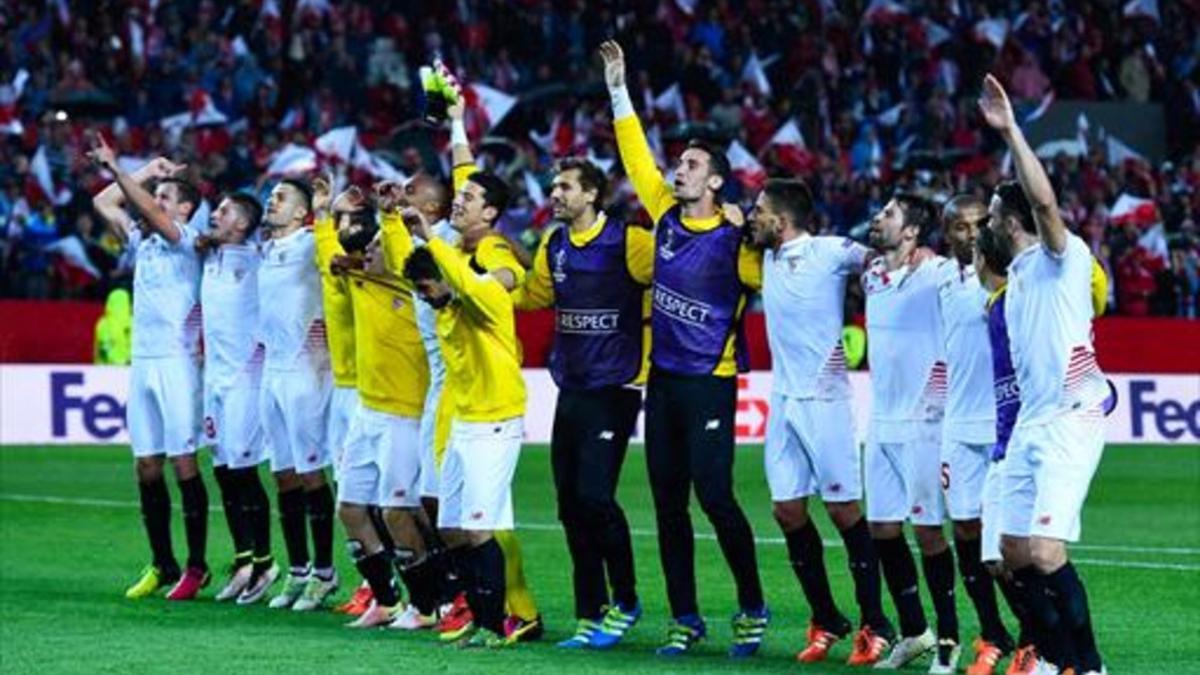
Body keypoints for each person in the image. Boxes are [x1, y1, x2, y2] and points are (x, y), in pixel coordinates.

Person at [600, 40, 768, 658]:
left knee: (716, 496)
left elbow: (774, 269)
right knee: (668, 505)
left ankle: (752, 605)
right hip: (664, 381)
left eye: (693, 163)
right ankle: (686, 618)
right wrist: (618, 88)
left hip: (711, 381)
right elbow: (633, 150)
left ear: (716, 179)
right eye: (680, 162)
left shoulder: (738, 236)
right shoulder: (665, 212)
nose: (679, 168)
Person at [979, 73, 1109, 675]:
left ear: (1010, 220)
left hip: (1069, 420)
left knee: (1047, 551)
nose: (983, 227)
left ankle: (1088, 666)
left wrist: (1012, 132)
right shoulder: (1016, 281)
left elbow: (1046, 204)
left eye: (990, 218)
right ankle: (1055, 659)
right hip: (1030, 424)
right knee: (1009, 554)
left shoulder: (1063, 257)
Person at [748, 177, 895, 665]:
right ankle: (827, 617)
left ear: (782, 219)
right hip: (785, 400)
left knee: (843, 511)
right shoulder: (766, 255)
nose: (752, 216)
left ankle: (877, 623)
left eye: (758, 210)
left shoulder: (831, 251)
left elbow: (874, 259)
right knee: (787, 511)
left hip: (827, 399)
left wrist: (888, 266)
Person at [512, 157, 650, 649]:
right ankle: (589, 613)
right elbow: (533, 296)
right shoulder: (556, 245)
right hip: (570, 386)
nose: (556, 194)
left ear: (592, 194)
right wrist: (493, 280)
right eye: (553, 186)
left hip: (615, 387)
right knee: (569, 505)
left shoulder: (629, 241)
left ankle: (627, 600)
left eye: (566, 186)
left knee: (595, 496)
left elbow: (675, 277)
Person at [395, 171, 529, 648]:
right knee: (451, 526)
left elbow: (467, 283)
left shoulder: (485, 294)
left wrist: (428, 235)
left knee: (476, 526)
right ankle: (477, 614)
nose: (428, 299)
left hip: (495, 421)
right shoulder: (445, 309)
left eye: (430, 288)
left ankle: (497, 624)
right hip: (463, 421)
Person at [88, 137, 208, 601]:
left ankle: (196, 567)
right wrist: (146, 169)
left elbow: (150, 213)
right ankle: (162, 563)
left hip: (178, 364)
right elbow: (103, 201)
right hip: (144, 364)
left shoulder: (187, 240)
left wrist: (118, 168)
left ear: (184, 209)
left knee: (183, 463)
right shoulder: (142, 242)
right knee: (145, 466)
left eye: (164, 196)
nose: (154, 201)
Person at [319, 183, 440, 628]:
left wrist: (387, 219)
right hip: (367, 409)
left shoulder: (406, 278)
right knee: (350, 507)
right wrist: (328, 211)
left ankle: (426, 605)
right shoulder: (356, 270)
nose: (367, 254)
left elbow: (396, 257)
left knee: (397, 511)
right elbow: (334, 252)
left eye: (372, 246)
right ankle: (385, 599)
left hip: (405, 411)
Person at [860, 193, 959, 671]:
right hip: (881, 421)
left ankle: (950, 639)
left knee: (928, 531)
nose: (878, 219)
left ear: (913, 232)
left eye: (889, 214)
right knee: (881, 527)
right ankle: (916, 631)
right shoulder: (871, 276)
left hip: (926, 423)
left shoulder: (938, 274)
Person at [936, 196, 1018, 673]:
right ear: (948, 233)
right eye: (962, 227)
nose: (972, 234)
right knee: (965, 530)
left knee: (1009, 544)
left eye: (980, 225)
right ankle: (992, 634)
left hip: (1002, 423)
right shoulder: (938, 279)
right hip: (957, 423)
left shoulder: (1012, 276)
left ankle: (1035, 634)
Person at [256, 178, 338, 610]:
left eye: (282, 198)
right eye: (271, 195)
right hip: (272, 371)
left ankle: (325, 572)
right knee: (282, 475)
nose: (272, 200)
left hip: (308, 370)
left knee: (310, 474)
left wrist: (325, 209)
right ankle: (298, 569)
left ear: (302, 213)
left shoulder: (310, 242)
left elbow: (337, 240)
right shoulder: (266, 248)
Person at [194, 193, 277, 604]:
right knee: (224, 471)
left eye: (225, 211)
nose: (214, 214)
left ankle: (265, 561)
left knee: (244, 473)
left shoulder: (260, 259)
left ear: (243, 224)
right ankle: (243, 560)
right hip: (214, 381)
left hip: (247, 378)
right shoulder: (207, 255)